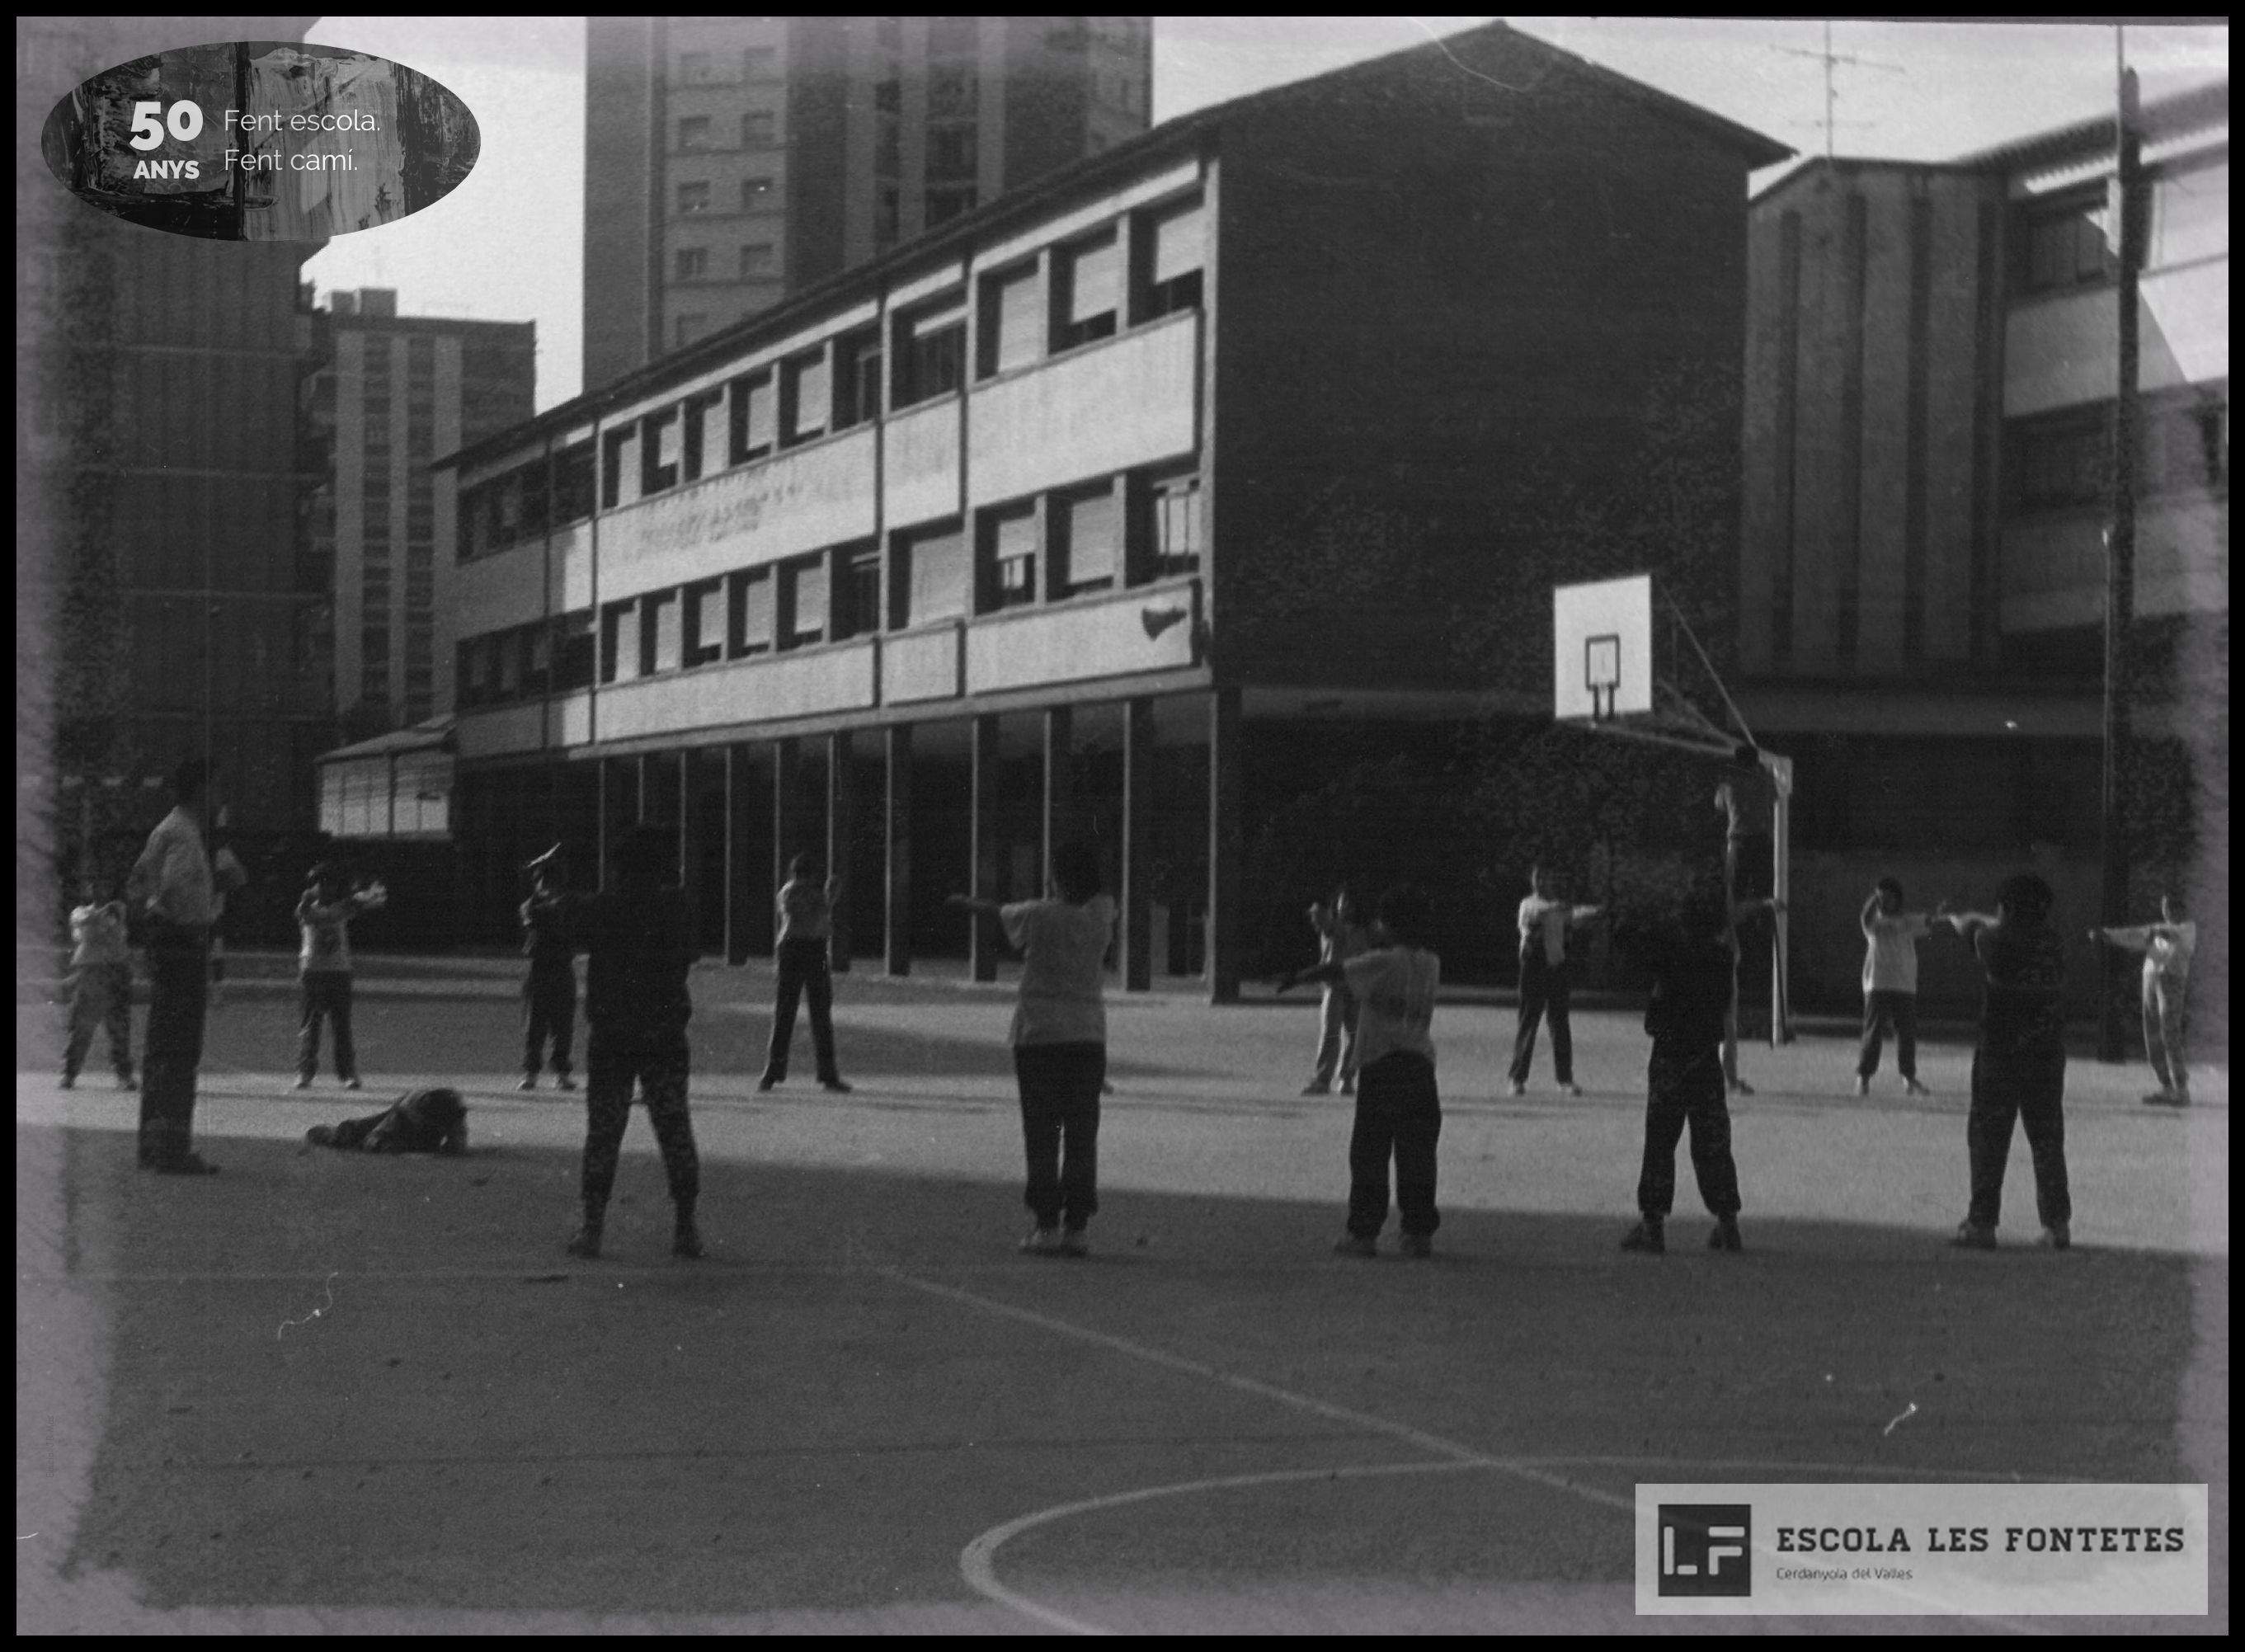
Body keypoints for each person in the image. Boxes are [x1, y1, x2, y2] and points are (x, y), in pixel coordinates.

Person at [948, 839, 1116, 1257]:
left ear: (1058, 878)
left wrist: (965, 903)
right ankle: (1077, 1226)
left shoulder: (1040, 917)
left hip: (1039, 1036)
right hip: (1088, 1036)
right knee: (1081, 1133)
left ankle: (1046, 1225)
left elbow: (996, 913)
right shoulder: (1102, 914)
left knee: (1042, 1132)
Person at [1281, 884, 1443, 1259]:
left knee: (1370, 1152)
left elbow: (1338, 971)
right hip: (1420, 1067)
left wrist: (1301, 975)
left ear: (1390, 926)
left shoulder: (1384, 961)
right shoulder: (1431, 963)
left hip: (1382, 1066)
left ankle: (1363, 1233)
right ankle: (1418, 1233)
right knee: (1418, 1154)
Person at [568, 824, 704, 1261]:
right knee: (674, 1127)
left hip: (612, 1036)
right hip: (663, 1033)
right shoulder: (676, 906)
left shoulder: (603, 906)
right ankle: (685, 1228)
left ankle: (593, 1229)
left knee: (604, 1132)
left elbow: (566, 928)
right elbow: (689, 953)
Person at [1619, 885, 1779, 1255]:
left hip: (1670, 1054)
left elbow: (1631, 946)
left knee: (1660, 1140)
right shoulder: (1721, 958)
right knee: (1712, 1142)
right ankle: (1727, 1221)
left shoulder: (1670, 951)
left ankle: (1653, 1223)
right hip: (1704, 1056)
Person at [1939, 873, 2071, 1251]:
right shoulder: (2053, 942)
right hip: (2046, 1055)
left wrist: (1958, 918)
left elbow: (1973, 929)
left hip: (2000, 1053)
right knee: (2047, 1139)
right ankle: (2057, 1223)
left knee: (1988, 1139)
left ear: (2007, 907)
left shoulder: (1994, 940)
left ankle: (1982, 1223)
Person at [126, 757, 219, 1173]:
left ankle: (155, 1143)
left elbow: (138, 882)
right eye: (217, 787)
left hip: (168, 947)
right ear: (200, 790)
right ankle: (171, 1148)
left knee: (163, 1047)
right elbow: (173, 889)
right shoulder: (183, 835)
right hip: (183, 946)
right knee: (180, 1049)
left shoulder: (168, 829)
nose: (222, 796)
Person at [759, 852, 851, 1094]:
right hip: (797, 948)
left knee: (817, 1014)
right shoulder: (790, 891)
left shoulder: (810, 892)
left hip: (812, 950)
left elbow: (821, 921)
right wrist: (828, 899)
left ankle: (825, 1074)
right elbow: (807, 916)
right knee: (789, 1013)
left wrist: (829, 898)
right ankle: (773, 1072)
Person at [2092, 894, 2198, 1107]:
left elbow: (2169, 934)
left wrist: (2153, 932)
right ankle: (2166, 1086)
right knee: (2151, 1034)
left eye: (2169, 907)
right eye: (2165, 907)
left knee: (2170, 1033)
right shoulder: (2159, 928)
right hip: (2150, 980)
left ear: (2179, 908)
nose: (2166, 911)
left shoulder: (2187, 929)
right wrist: (2109, 935)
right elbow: (2135, 936)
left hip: (2171, 982)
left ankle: (2181, 1088)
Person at [1714, 744, 1777, 1096]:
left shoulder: (1728, 781)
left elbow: (1718, 806)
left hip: (1737, 840)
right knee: (1752, 896)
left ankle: (1739, 924)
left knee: (1732, 896)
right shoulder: (1762, 780)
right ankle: (1754, 921)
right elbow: (1777, 797)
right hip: (1760, 841)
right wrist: (1767, 773)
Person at [1507, 864, 1602, 1098]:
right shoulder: (1528, 904)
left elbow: (1575, 917)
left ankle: (1565, 1079)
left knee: (1560, 1025)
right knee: (1528, 1023)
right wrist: (1560, 911)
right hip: (1533, 967)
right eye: (1537, 878)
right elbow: (1534, 919)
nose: (1540, 882)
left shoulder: (1560, 908)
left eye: (1545, 878)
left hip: (1556, 968)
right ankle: (1517, 1079)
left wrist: (1595, 911)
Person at [294, 864, 387, 1090]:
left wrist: (369, 894)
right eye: (320, 884)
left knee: (341, 1026)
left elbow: (366, 904)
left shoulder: (344, 906)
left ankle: (347, 1073)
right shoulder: (307, 909)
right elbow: (316, 915)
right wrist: (355, 899)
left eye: (330, 883)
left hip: (339, 973)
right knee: (311, 1026)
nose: (325, 888)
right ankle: (305, 1072)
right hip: (313, 973)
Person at [1857, 878, 1936, 1098]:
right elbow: (1865, 917)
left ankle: (1908, 1078)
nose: (1884, 902)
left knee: (1906, 1034)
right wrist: (1874, 898)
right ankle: (1863, 1077)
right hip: (1877, 983)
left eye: (1888, 897)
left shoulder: (1908, 921)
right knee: (1873, 1033)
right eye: (1881, 898)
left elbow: (1928, 924)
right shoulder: (1874, 922)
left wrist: (1937, 916)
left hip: (1904, 985)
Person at [62, 873, 137, 1092]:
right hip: (90, 973)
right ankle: (69, 1073)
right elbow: (86, 928)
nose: (98, 890)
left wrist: (97, 925)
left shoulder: (117, 908)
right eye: (94, 886)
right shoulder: (79, 912)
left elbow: (108, 925)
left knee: (119, 1027)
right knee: (80, 1027)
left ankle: (124, 1074)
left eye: (103, 885)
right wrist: (98, 924)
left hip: (114, 971)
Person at [518, 845, 580, 1093]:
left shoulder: (568, 903)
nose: (546, 885)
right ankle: (531, 1072)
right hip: (540, 970)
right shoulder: (530, 906)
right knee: (535, 1025)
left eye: (550, 880)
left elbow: (565, 915)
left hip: (563, 969)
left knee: (563, 1025)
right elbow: (538, 918)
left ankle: (561, 1073)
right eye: (542, 880)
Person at [1301, 886, 1368, 1096]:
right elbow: (1324, 921)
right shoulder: (1334, 927)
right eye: (1341, 902)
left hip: (1356, 988)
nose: (1345, 906)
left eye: (1348, 902)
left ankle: (1347, 1078)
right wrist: (1318, 911)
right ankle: (1323, 1079)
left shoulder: (1364, 931)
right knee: (1330, 1033)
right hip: (1335, 987)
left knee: (1355, 1036)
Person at [305, 1087, 469, 1155]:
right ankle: (332, 1133)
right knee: (348, 1135)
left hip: (417, 1108)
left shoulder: (452, 1110)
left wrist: (452, 1147)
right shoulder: (402, 1118)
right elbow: (373, 1140)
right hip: (404, 1113)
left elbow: (458, 1145)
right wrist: (404, 1152)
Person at [205, 826, 248, 1013]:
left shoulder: (223, 854)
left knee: (216, 956)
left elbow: (240, 878)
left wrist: (218, 880)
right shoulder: (194, 850)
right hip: (194, 913)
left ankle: (217, 994)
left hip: (214, 914)